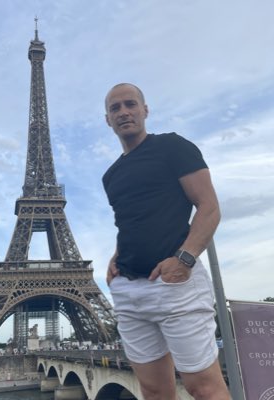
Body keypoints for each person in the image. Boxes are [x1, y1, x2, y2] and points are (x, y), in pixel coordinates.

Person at [102, 83, 230, 400]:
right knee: (153, 391)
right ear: (108, 119)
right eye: (115, 108)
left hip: (174, 285)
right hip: (129, 290)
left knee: (204, 388)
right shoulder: (111, 175)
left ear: (145, 110)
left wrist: (185, 259)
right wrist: (117, 255)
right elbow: (132, 220)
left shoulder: (173, 147)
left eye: (130, 104)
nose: (124, 112)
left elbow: (209, 207)